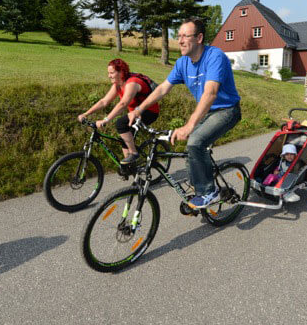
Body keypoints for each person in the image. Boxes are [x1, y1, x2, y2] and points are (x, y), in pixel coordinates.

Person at [128, 17, 241, 209]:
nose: (179, 40)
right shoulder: (182, 63)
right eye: (178, 36)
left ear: (199, 38)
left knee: (195, 141)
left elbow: (210, 92)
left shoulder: (215, 56)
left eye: (185, 36)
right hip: (207, 112)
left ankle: (208, 191)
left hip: (227, 110)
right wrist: (140, 108)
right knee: (192, 148)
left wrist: (189, 126)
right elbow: (163, 88)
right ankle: (200, 184)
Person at [78, 58, 159, 164]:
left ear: (121, 72)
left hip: (149, 112)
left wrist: (105, 120)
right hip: (133, 114)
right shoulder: (118, 84)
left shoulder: (132, 83)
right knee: (124, 137)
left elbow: (123, 104)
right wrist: (86, 113)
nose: (109, 76)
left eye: (112, 73)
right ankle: (129, 167)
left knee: (120, 124)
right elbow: (104, 101)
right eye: (108, 73)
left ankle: (134, 154)